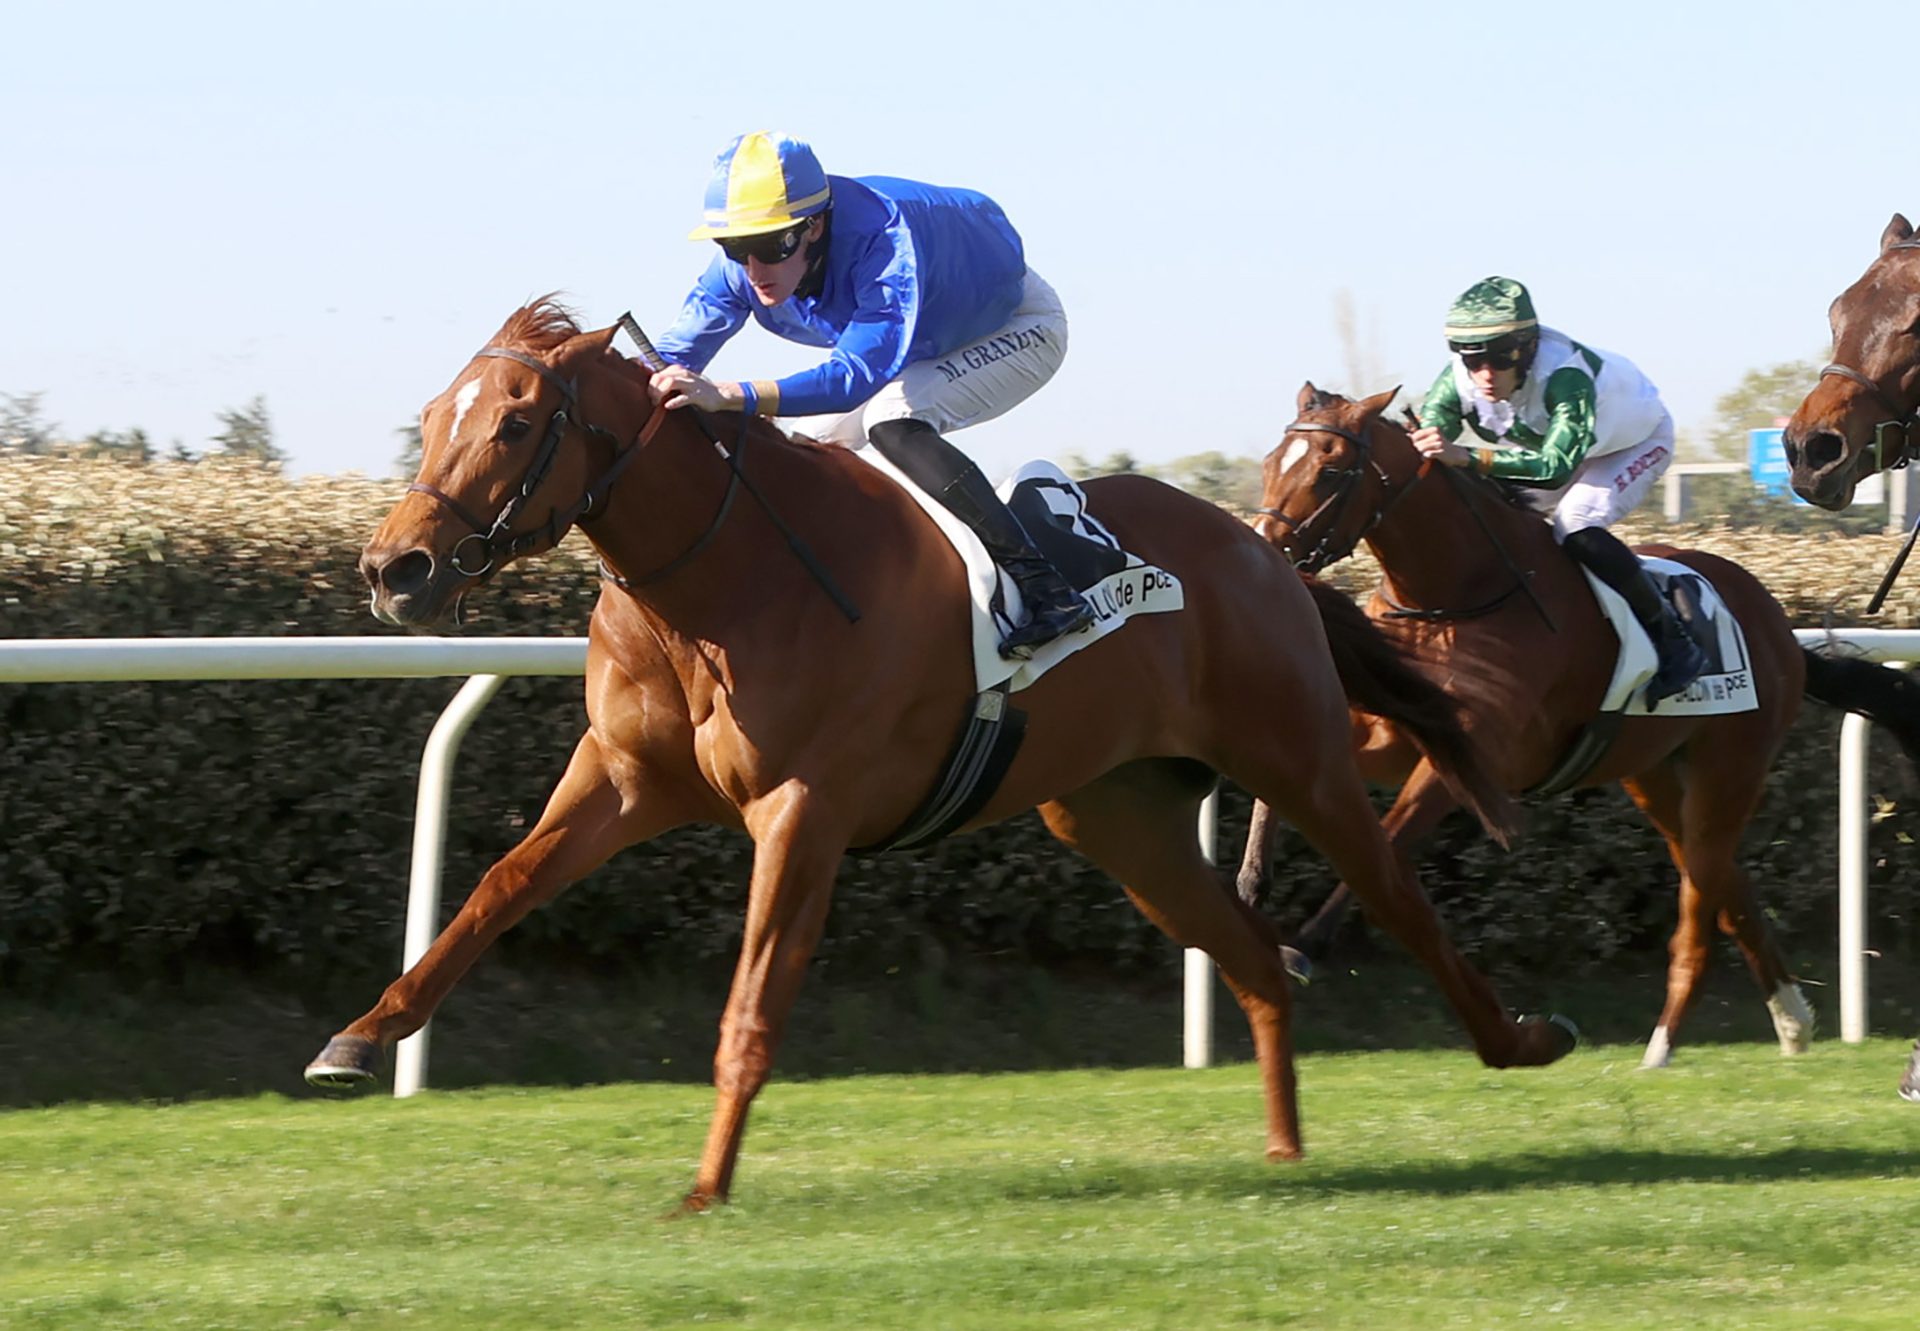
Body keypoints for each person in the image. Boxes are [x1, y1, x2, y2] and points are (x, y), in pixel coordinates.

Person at [648, 131, 1094, 660]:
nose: (754, 270)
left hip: (1018, 325)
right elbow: (668, 359)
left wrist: (730, 394)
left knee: (892, 416)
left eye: (771, 247)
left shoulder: (883, 243)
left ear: (813, 226)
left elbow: (855, 376)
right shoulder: (745, 266)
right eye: (735, 248)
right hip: (922, 336)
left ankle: (1047, 588)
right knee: (795, 446)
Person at [1410, 276, 1707, 706]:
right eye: (1474, 362)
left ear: (1527, 348)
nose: (1485, 376)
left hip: (1633, 442)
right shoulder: (1458, 379)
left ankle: (1675, 639)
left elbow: (1553, 470)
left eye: (1498, 359)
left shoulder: (1565, 376)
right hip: (1560, 447)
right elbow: (1429, 439)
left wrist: (1470, 459)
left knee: (1575, 523)